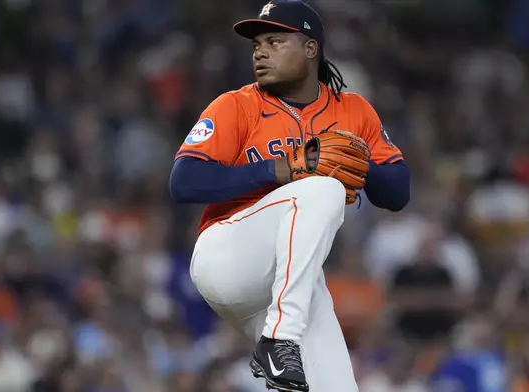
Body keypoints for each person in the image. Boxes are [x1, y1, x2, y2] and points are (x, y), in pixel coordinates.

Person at [169, 1, 410, 390]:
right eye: (256, 45)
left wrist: (357, 163)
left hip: (288, 285)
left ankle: (282, 341)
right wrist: (279, 169)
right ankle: (279, 341)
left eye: (275, 41)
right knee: (322, 187)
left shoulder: (352, 111)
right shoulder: (237, 105)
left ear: (310, 48)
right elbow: (184, 181)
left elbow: (399, 191)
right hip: (229, 255)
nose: (260, 51)